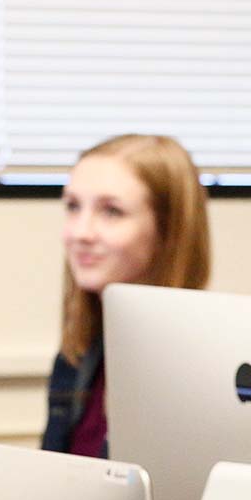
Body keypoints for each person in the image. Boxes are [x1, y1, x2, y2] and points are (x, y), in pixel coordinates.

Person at [41, 133, 210, 457]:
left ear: (168, 231)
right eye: (73, 207)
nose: (80, 233)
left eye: (112, 212)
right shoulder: (77, 353)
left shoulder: (200, 372)